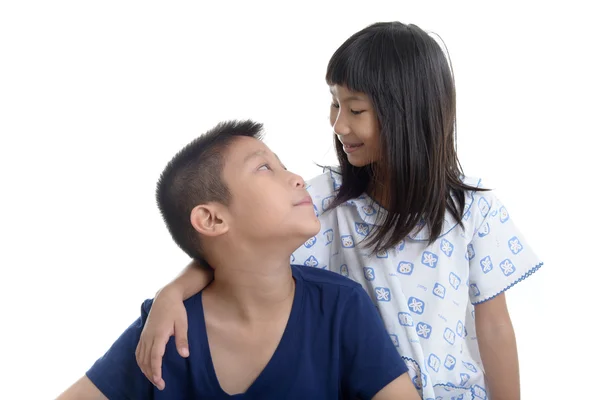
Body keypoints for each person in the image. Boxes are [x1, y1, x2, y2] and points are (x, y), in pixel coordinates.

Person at [137, 22, 543, 400]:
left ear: (408, 114)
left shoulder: (475, 212)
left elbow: (493, 327)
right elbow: (240, 255)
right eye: (334, 104)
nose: (338, 125)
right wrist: (171, 294)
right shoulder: (324, 203)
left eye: (355, 109)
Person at [56, 120, 419, 400]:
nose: (296, 179)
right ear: (212, 219)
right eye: (264, 168)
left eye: (284, 166)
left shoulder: (341, 307)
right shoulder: (165, 329)